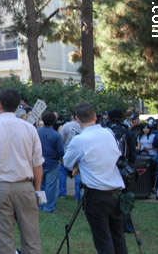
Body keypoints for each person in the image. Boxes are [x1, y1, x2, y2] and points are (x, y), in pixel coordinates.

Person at [0, 88, 43, 254]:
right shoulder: (30, 129)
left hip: (0, 186)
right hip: (25, 186)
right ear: (18, 106)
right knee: (32, 240)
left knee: (3, 242)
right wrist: (37, 189)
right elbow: (37, 164)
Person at [63, 103, 127, 254]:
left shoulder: (80, 140)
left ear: (77, 119)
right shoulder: (108, 133)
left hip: (96, 194)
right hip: (115, 191)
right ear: (95, 117)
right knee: (118, 237)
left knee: (103, 239)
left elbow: (67, 162)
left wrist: (79, 164)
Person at [37, 111, 64, 213]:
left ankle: (40, 204)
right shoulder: (56, 135)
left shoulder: (37, 132)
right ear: (54, 121)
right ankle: (49, 206)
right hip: (52, 163)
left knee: (40, 185)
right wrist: (60, 159)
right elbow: (60, 150)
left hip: (38, 162)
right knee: (51, 186)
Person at [59, 110, 82, 200]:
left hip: (67, 151)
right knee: (78, 173)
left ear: (72, 116)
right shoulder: (83, 126)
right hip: (79, 153)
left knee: (62, 172)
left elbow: (61, 140)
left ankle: (62, 192)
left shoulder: (67, 126)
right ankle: (78, 195)